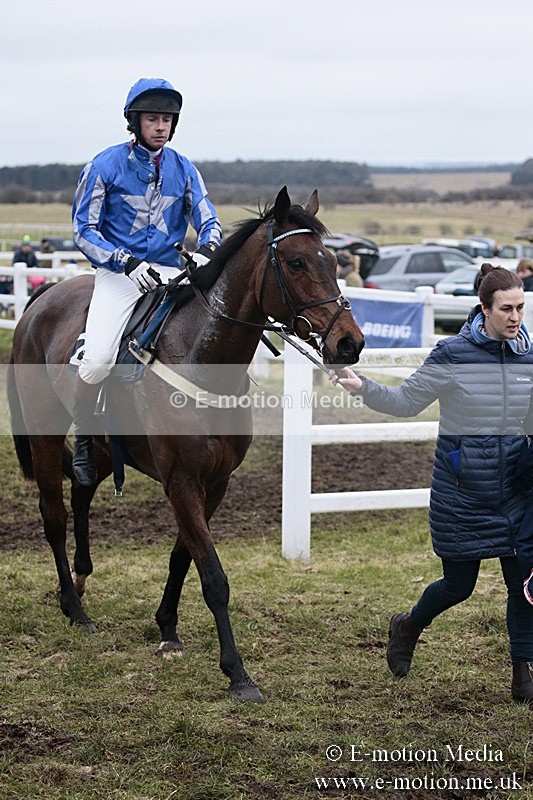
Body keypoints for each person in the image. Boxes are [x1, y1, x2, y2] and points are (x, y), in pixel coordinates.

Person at [330, 264, 533, 704]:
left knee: (524, 587)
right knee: (458, 586)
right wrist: (360, 385)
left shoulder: (528, 355)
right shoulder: (453, 354)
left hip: (517, 492)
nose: (515, 318)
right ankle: (408, 625)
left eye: (520, 308)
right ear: (484, 309)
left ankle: (522, 671)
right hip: (464, 494)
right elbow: (406, 401)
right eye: (506, 309)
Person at [71, 77, 222, 486]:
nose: (161, 126)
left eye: (167, 120)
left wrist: (208, 248)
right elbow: (83, 231)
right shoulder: (104, 166)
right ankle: (85, 437)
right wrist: (125, 262)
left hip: (173, 273)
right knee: (100, 358)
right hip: (121, 275)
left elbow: (208, 219)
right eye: (152, 119)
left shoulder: (184, 168)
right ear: (134, 122)